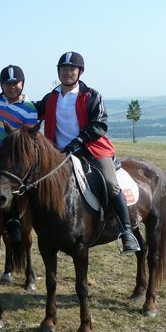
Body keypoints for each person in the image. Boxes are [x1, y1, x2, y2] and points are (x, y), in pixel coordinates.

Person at [36, 51, 140, 254]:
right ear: (58, 71)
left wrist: (79, 141)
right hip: (60, 152)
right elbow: (32, 112)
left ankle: (127, 232)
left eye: (72, 69)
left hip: (91, 149)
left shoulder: (91, 95)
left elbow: (99, 124)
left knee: (110, 184)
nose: (68, 72)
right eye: (64, 68)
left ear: (80, 72)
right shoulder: (51, 97)